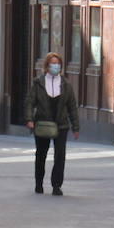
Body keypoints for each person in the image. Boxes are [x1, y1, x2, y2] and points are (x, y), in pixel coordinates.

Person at [24, 52, 80, 195]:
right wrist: (29, 119)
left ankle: (56, 185)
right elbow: (30, 102)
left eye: (58, 63)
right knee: (41, 154)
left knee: (60, 156)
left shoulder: (66, 84)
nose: (56, 66)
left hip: (61, 124)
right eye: (53, 63)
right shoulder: (38, 83)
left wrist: (76, 127)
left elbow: (72, 107)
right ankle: (39, 183)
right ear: (47, 66)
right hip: (42, 123)